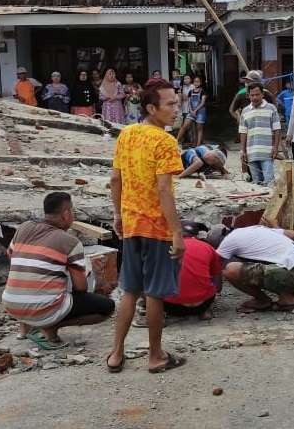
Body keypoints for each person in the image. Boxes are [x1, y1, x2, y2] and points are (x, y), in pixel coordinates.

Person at [107, 78, 186, 374]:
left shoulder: (126, 134)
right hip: (156, 227)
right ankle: (155, 356)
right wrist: (177, 232)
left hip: (131, 223)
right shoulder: (165, 141)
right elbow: (164, 190)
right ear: (152, 108)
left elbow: (115, 179)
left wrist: (117, 214)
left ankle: (116, 353)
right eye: (170, 104)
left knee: (129, 290)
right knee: (154, 294)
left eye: (176, 102)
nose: (176, 109)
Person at [1, 192, 115, 350]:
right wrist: (92, 274)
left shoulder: (24, 228)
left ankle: (25, 326)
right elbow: (81, 288)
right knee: (107, 307)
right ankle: (51, 326)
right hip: (42, 309)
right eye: (73, 211)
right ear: (66, 214)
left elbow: (11, 256)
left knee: (37, 282)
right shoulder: (70, 242)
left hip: (11, 302)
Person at [217, 225, 294, 313]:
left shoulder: (228, 240)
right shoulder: (257, 229)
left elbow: (215, 265)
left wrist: (216, 290)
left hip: (291, 274)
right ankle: (287, 298)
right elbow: (293, 234)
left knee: (230, 270)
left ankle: (263, 301)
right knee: (266, 266)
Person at [163, 221, 221, 321]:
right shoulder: (208, 247)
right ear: (197, 235)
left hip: (172, 307)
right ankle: (204, 311)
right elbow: (218, 285)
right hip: (203, 304)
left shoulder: (165, 247)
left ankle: (157, 314)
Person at [239, 83, 282, 185]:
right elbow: (243, 132)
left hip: (267, 152)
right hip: (251, 153)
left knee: (269, 182)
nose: (254, 97)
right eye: (252, 95)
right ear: (248, 96)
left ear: (262, 94)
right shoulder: (245, 111)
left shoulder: (271, 108)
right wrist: (242, 150)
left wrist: (275, 148)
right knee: (256, 183)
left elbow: (277, 129)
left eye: (257, 94)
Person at [179, 76, 208, 146]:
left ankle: (197, 145)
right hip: (191, 111)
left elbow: (202, 103)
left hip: (201, 112)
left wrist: (195, 110)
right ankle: (176, 141)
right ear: (193, 82)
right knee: (184, 126)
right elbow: (189, 102)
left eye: (198, 82)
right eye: (195, 81)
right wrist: (191, 110)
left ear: (200, 83)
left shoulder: (203, 91)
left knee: (199, 129)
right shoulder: (190, 92)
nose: (196, 83)